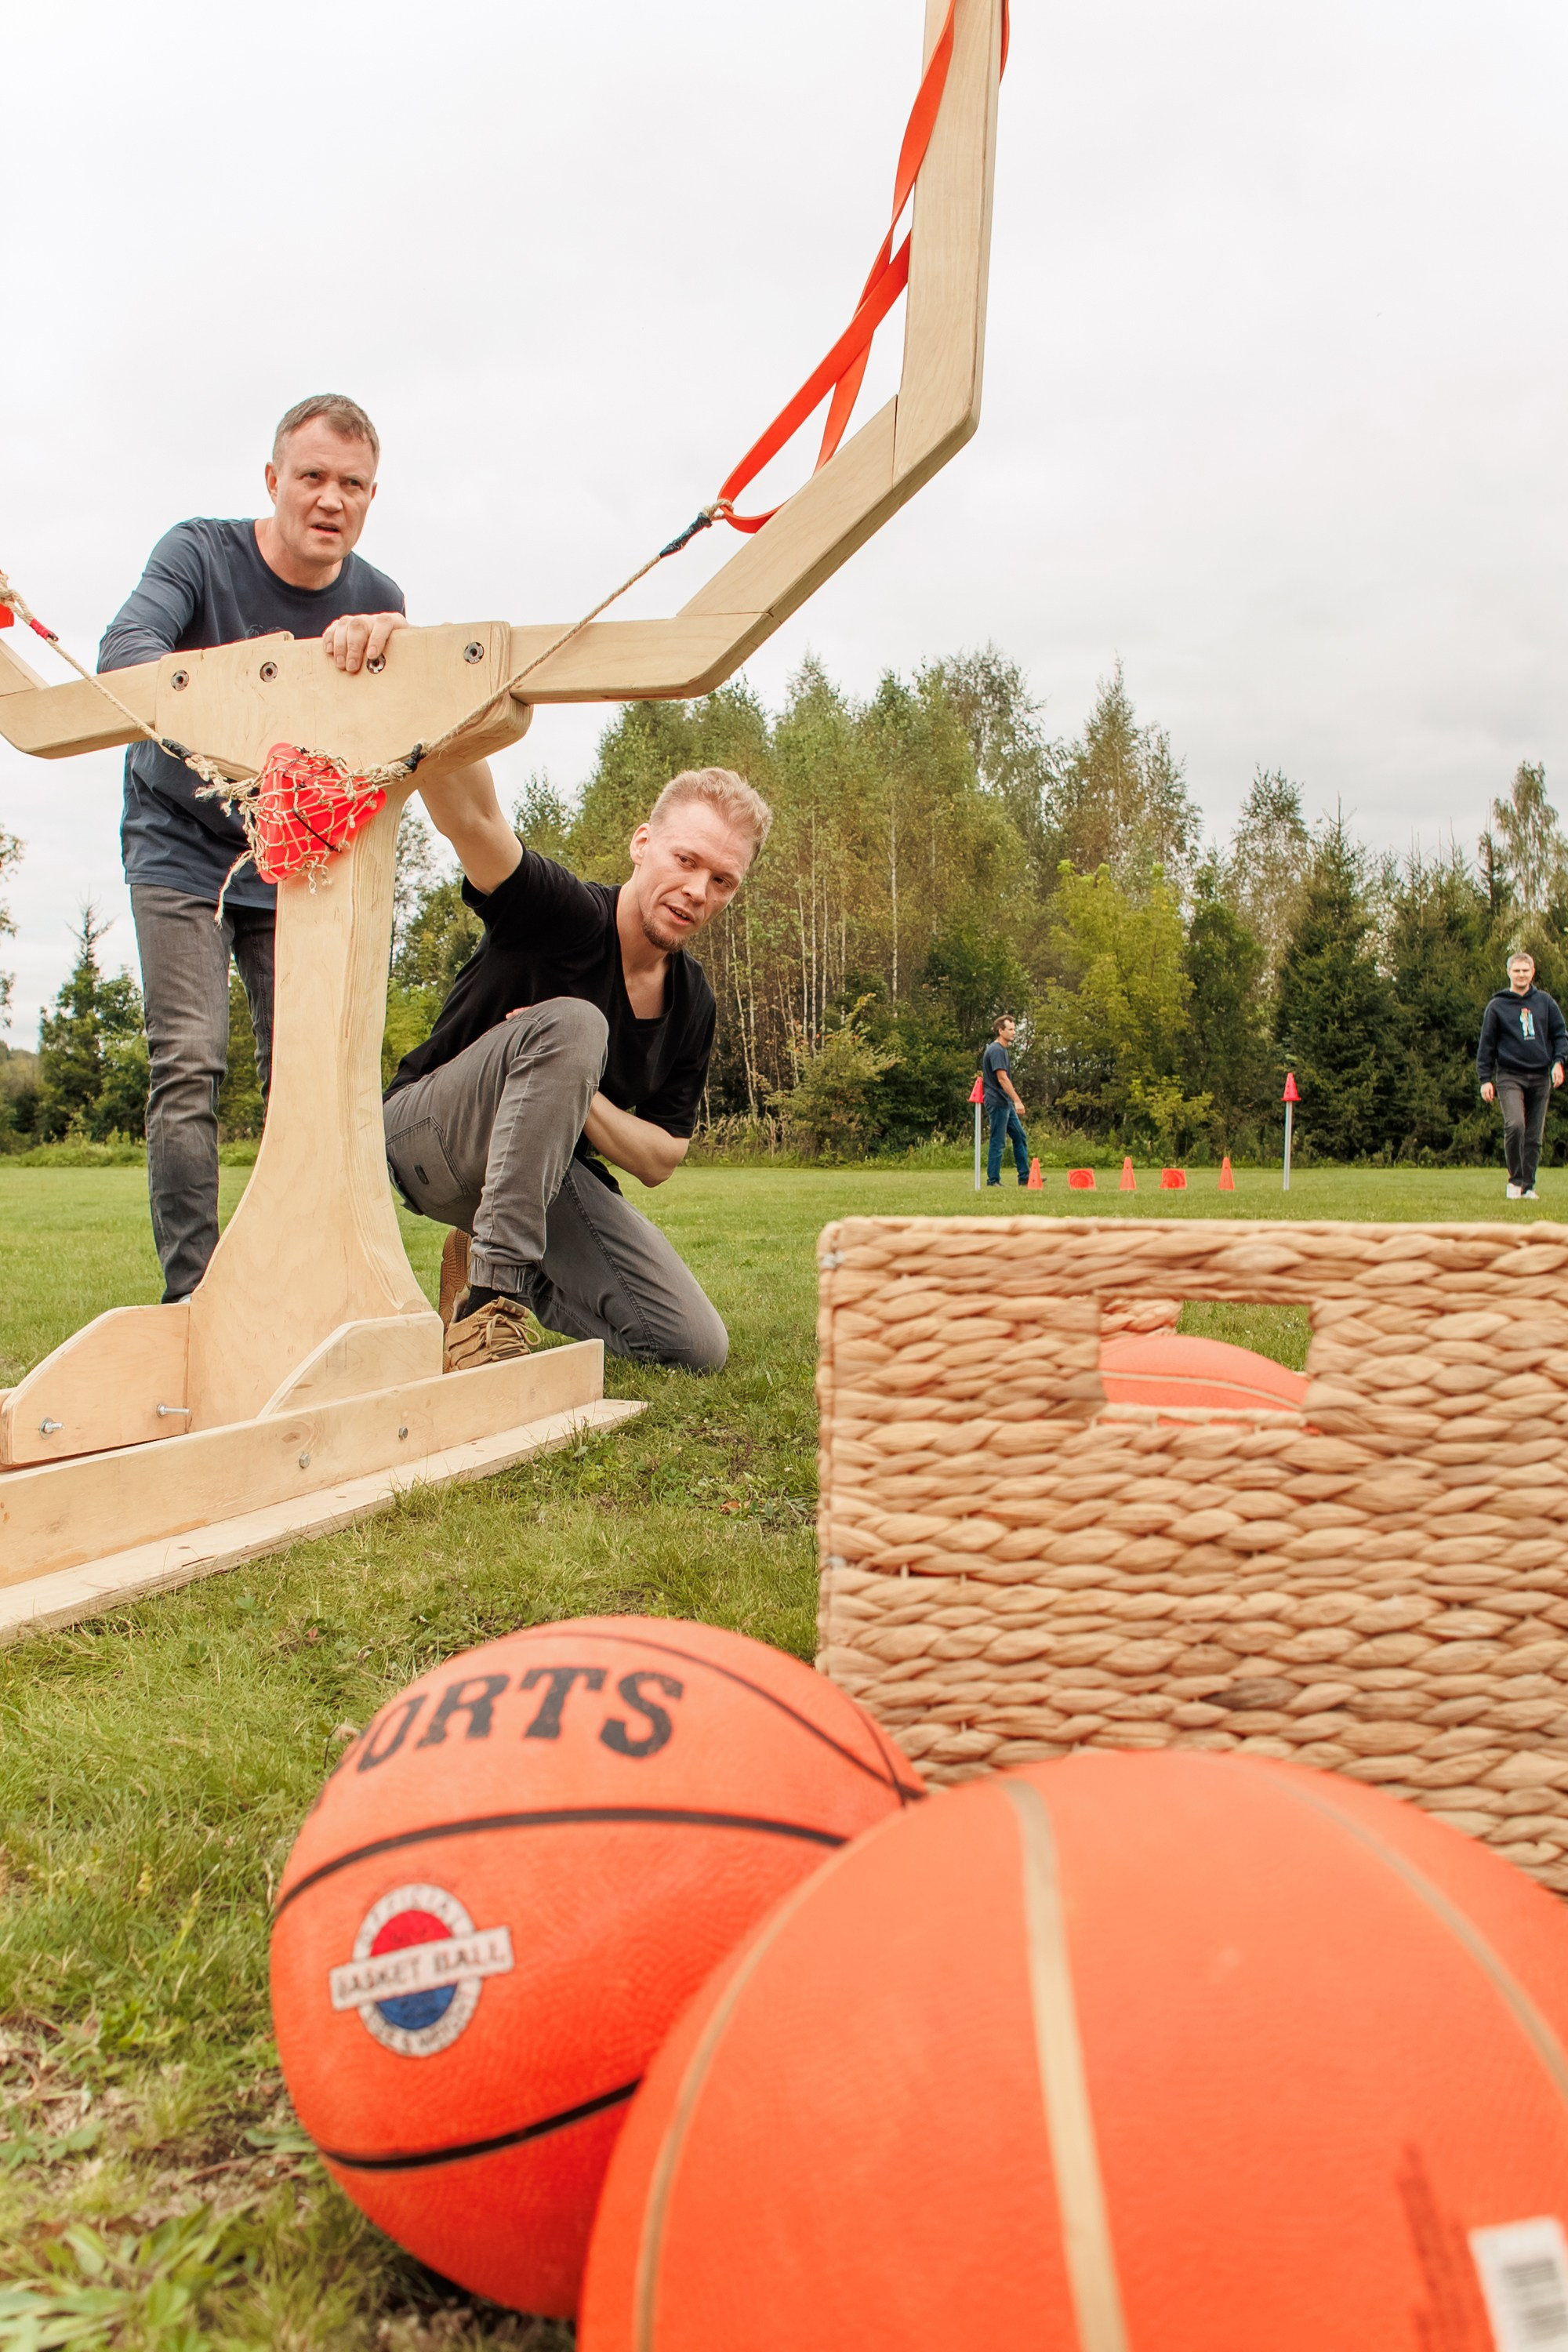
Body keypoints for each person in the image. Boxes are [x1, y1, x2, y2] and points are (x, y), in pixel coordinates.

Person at [98, 394, 409, 1304]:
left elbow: (391, 737)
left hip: (296, 855)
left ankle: (295, 1283)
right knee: (191, 1058)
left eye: (350, 484)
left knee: (311, 1070)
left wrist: (394, 653)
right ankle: (191, 1297)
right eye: (310, 477)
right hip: (178, 841)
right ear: (272, 482)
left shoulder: (377, 599)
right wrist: (264, 668)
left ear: (369, 497)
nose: (329, 499)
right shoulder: (198, 552)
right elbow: (125, 654)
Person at [385, 762, 771, 1374]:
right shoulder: (561, 913)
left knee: (692, 1347)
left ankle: (482, 1259)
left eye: (723, 880)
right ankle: (490, 1305)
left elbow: (661, 1157)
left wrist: (578, 1088)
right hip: (424, 1135)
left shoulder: (692, 1000)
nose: (699, 890)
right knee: (578, 1023)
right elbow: (472, 817)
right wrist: (439, 691)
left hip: (537, 1176)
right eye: (687, 860)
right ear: (642, 844)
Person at [1477, 949, 1567, 1200]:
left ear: (1533, 972)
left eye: (1525, 970)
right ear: (1508, 972)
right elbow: (1486, 1045)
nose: (1521, 975)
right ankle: (1514, 1181)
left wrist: (1559, 1062)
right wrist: (1485, 1079)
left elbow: (1560, 1035)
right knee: (1515, 1125)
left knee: (1534, 1135)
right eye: (1516, 970)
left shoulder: (1545, 1002)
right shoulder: (1497, 1006)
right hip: (1509, 1075)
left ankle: (1528, 1186)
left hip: (1540, 1076)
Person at [982, 1013, 1029, 1185]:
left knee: (1020, 1137)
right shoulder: (995, 1050)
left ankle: (1025, 1177)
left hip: (1005, 1103)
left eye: (1014, 1029)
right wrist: (1017, 1100)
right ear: (1000, 1031)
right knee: (998, 1141)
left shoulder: (1003, 1050)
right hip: (997, 1102)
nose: (1014, 1032)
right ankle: (993, 1180)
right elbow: (1002, 1078)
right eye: (1010, 1029)